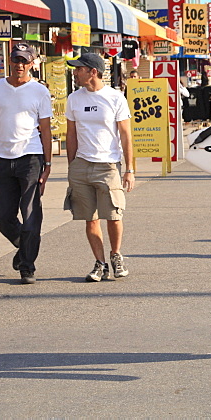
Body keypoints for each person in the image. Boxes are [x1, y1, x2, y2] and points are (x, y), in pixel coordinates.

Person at [0, 41, 53, 284]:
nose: (19, 65)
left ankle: (27, 266)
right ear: (10, 61)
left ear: (32, 64)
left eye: (24, 61)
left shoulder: (39, 91)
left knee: (30, 213)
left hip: (30, 158)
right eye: (16, 60)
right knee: (2, 215)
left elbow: (46, 129)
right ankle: (23, 246)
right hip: (1, 158)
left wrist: (48, 164)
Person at [65, 53, 136, 282]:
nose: (75, 73)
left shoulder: (115, 98)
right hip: (82, 165)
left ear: (92, 72)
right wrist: (72, 165)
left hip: (108, 165)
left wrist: (129, 169)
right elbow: (71, 134)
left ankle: (116, 255)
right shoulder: (74, 99)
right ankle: (100, 263)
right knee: (90, 217)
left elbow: (125, 135)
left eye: (79, 69)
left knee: (114, 215)